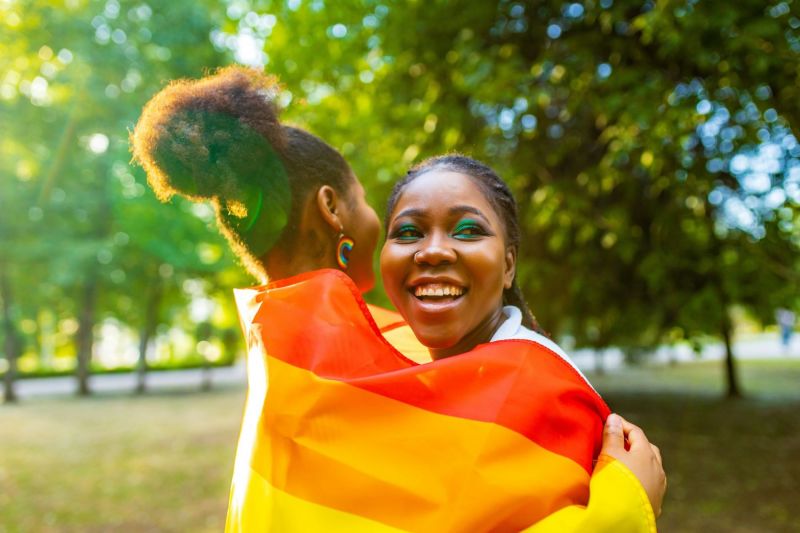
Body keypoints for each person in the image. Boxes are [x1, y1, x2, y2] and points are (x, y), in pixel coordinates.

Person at [131, 66, 664, 532]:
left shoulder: (286, 371)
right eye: (404, 231)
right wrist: (621, 512)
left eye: (467, 230)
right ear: (331, 208)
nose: (431, 252)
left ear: (509, 262)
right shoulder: (362, 365)